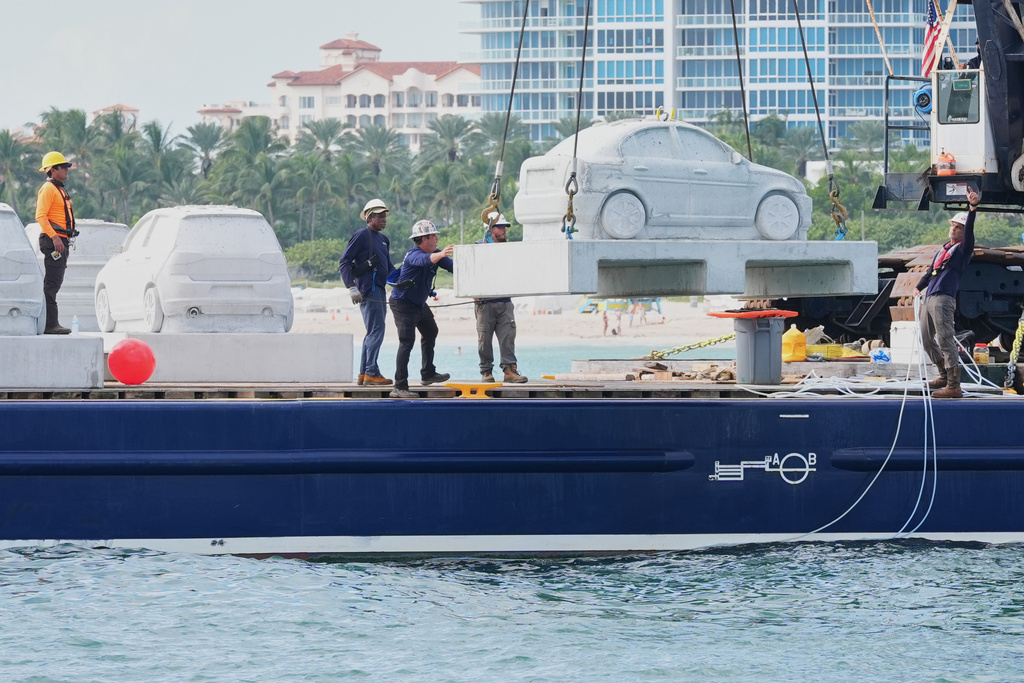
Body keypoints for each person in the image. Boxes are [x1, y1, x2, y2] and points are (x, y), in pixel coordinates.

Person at [915, 187, 980, 398]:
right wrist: (919, 286)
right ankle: (943, 373)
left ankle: (954, 384)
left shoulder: (963, 250)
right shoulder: (943, 250)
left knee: (946, 339)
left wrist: (972, 208)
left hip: (943, 297)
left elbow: (970, 231)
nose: (954, 229)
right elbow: (931, 272)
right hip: (930, 296)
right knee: (926, 338)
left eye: (958, 227)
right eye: (953, 225)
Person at [387, 220, 454, 399]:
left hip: (418, 303)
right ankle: (399, 387)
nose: (437, 238)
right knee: (406, 342)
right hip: (402, 304)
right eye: (433, 236)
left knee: (431, 331)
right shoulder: (413, 255)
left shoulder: (435, 253)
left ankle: (427, 373)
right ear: (424, 239)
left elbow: (452, 266)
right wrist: (440, 255)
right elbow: (425, 260)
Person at [339, 198, 394, 386]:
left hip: (379, 289)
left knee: (372, 331)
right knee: (377, 330)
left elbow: (390, 267)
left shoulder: (383, 240)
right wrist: (351, 287)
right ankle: (371, 372)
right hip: (368, 291)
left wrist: (405, 278)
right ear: (370, 218)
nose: (384, 219)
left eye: (385, 216)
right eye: (380, 216)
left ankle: (364, 373)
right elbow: (344, 262)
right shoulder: (362, 235)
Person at [473, 212, 527, 383]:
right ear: (490, 229)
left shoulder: (508, 250)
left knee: (508, 337)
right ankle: (486, 372)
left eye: (504, 227)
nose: (504, 230)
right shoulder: (477, 248)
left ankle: (509, 370)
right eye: (500, 227)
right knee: (484, 339)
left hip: (505, 301)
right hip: (484, 302)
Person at [35, 151, 78, 335]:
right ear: (53, 170)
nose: (67, 170)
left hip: (61, 241)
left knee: (55, 282)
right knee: (52, 283)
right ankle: (49, 323)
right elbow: (41, 216)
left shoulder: (58, 188)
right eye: (63, 167)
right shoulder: (49, 189)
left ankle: (49, 322)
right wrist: (54, 237)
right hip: (54, 242)